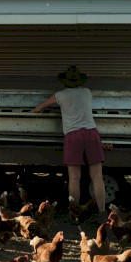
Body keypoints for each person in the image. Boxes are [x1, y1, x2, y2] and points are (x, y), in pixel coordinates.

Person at [31, 65, 107, 214]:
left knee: (74, 178)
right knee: (97, 176)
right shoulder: (86, 92)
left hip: (73, 136)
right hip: (92, 134)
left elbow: (40, 107)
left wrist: (33, 111)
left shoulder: (60, 95)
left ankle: (74, 212)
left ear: (64, 81)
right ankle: (102, 212)